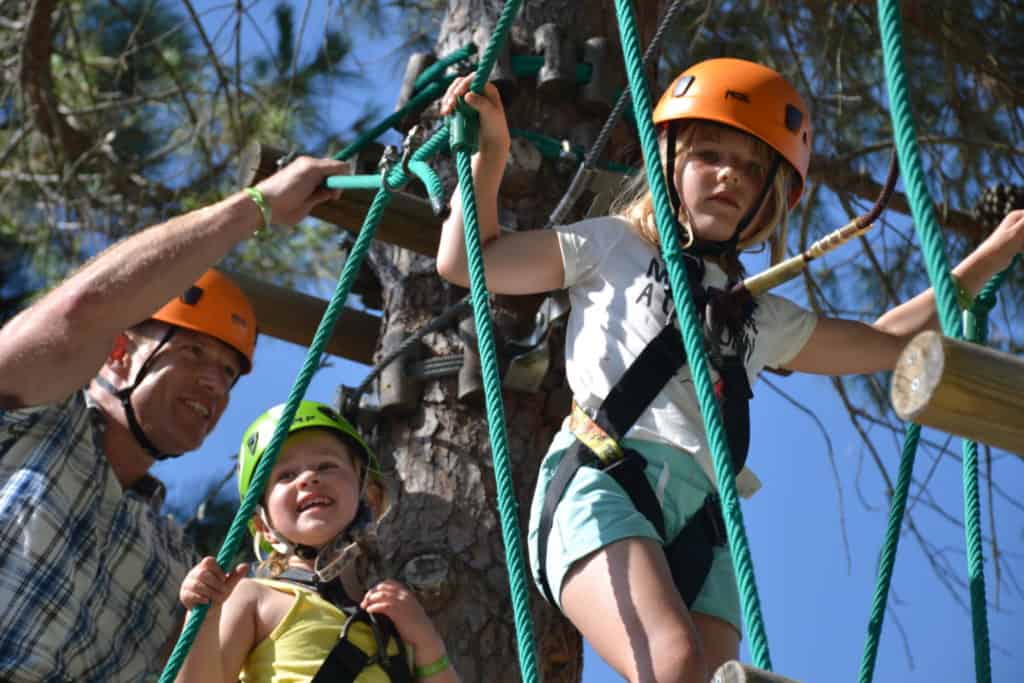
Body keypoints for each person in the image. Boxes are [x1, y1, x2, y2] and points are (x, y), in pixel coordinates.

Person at [435, 58, 1024, 682]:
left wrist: (990, 254)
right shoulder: (614, 246)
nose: (728, 175)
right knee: (676, 664)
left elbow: (882, 341)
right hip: (602, 476)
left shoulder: (760, 315)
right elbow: (472, 260)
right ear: (670, 164)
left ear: (771, 195)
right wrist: (489, 152)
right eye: (710, 154)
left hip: (701, 518)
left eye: (750, 167)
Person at [0, 155, 349, 682]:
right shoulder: (34, 418)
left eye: (229, 374)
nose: (215, 383)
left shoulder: (172, 563)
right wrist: (256, 207)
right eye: (193, 355)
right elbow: (81, 310)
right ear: (117, 355)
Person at [175, 400, 460, 683]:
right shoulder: (253, 597)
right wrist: (202, 617)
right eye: (286, 475)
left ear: (369, 499)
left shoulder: (392, 617)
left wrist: (427, 646)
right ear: (264, 526)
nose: (308, 478)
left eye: (326, 466)